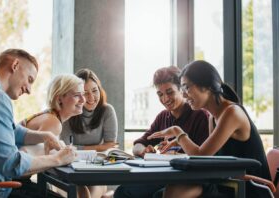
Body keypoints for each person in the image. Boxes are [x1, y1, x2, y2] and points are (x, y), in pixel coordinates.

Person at [148, 60, 271, 198]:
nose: (184, 95)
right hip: (227, 183)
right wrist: (179, 142)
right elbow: (207, 159)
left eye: (187, 87)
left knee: (173, 192)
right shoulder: (213, 118)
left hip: (248, 189)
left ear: (206, 86)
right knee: (165, 193)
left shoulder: (231, 113)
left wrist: (178, 132)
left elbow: (200, 156)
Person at [0, 49, 76, 198]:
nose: (29, 90)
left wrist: (45, 136)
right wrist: (58, 159)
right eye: (30, 80)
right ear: (15, 65)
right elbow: (11, 165)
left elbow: (11, 131)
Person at [114, 66, 209, 198]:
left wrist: (175, 153)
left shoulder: (200, 115)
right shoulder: (163, 117)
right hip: (167, 176)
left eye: (170, 92)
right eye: (160, 94)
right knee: (122, 191)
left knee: (159, 195)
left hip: (190, 179)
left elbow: (203, 158)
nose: (165, 99)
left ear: (182, 90)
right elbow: (139, 144)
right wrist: (142, 150)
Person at [60, 68, 117, 198]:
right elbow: (65, 148)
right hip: (70, 169)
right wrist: (98, 147)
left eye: (95, 90)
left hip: (95, 170)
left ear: (100, 89)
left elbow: (111, 146)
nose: (91, 98)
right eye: (85, 93)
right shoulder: (68, 112)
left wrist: (83, 150)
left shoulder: (107, 111)